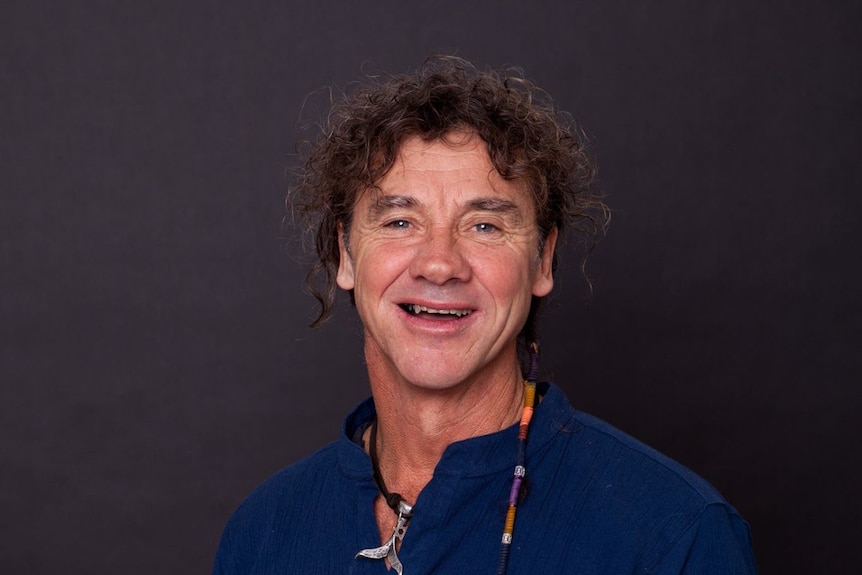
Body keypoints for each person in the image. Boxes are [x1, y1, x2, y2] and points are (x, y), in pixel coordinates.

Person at [212, 56, 757, 574]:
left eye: (485, 226)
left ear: (543, 259)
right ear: (347, 255)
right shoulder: (264, 533)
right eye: (400, 221)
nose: (440, 263)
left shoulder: (673, 535)